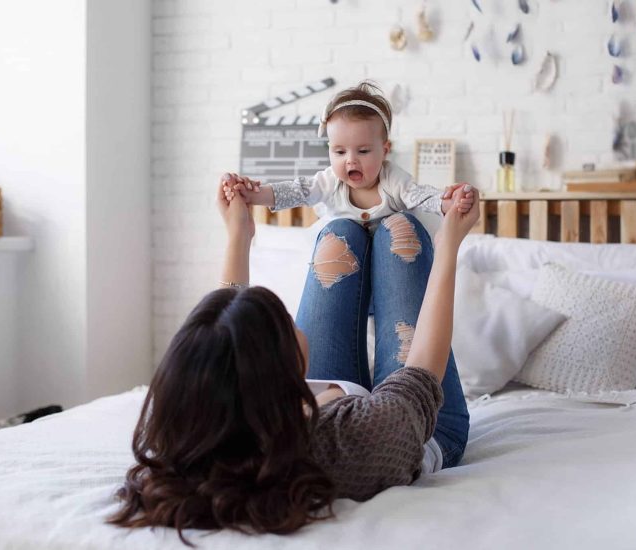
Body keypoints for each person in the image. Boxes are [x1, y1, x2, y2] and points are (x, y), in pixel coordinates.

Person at [109, 178, 479, 543]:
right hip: (420, 422)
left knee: (341, 231)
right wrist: (447, 246)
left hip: (320, 405)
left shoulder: (192, 422)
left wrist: (239, 233)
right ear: (280, 368)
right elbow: (421, 377)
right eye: (287, 323)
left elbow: (225, 337)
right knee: (400, 228)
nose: (294, 319)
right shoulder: (357, 438)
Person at [226, 80, 474, 225]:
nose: (351, 160)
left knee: (402, 229)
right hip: (347, 262)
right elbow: (296, 191)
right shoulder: (329, 181)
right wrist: (253, 195)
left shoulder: (394, 181)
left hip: (389, 261)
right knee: (339, 234)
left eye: (364, 151)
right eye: (339, 151)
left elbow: (420, 196)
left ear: (385, 151)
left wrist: (446, 202)